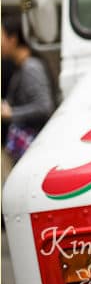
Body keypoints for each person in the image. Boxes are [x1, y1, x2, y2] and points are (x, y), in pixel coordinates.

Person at [1, 14, 55, 174]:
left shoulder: (31, 67)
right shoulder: (22, 67)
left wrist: (11, 113)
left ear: (13, 39)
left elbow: (45, 107)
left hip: (37, 149)